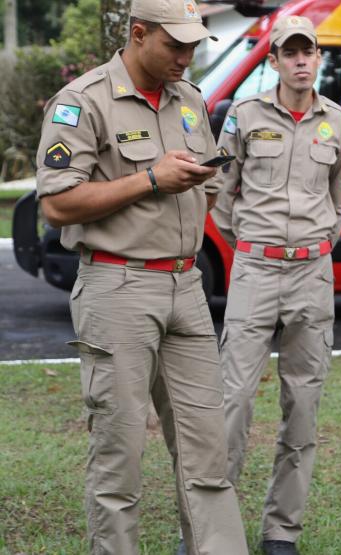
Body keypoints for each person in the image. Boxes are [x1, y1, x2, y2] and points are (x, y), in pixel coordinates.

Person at [34, 1, 248, 553]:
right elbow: (57, 204)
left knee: (208, 454)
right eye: (174, 45)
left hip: (187, 286)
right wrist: (150, 179)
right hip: (118, 288)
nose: (186, 57)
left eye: (193, 46)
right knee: (119, 454)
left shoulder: (190, 99)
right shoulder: (83, 101)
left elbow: (204, 188)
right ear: (137, 34)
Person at [210, 15, 341, 555]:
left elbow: (339, 197)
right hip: (256, 270)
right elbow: (221, 194)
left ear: (318, 58)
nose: (299, 61)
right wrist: (252, 243)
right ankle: (212, 528)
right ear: (273, 62)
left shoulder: (337, 121)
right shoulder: (244, 115)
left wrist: (313, 246)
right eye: (288, 53)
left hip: (312, 274)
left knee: (304, 404)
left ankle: (281, 530)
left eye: (306, 52)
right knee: (233, 401)